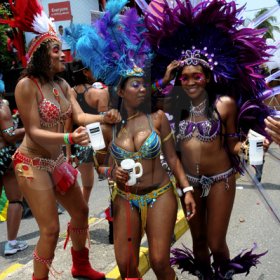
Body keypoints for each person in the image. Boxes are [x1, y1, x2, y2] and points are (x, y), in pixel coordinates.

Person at [142, 0, 271, 279]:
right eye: (184, 77)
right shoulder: (174, 102)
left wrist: (252, 146)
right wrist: (163, 80)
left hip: (221, 180)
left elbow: (233, 144)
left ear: (208, 77)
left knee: (215, 243)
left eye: (196, 76)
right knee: (199, 245)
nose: (189, 82)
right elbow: (140, 102)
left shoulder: (224, 104)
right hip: (190, 183)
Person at [75, 1, 196, 279]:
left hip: (160, 194)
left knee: (159, 262)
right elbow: (100, 167)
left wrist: (186, 189)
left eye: (144, 84)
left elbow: (174, 158)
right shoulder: (108, 126)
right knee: (127, 266)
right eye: (135, 85)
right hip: (125, 198)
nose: (142, 89)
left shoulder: (157, 119)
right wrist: (111, 171)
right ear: (121, 89)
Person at [6, 1, 120, 279]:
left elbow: (80, 117)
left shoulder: (62, 85)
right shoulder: (26, 86)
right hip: (31, 163)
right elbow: (33, 130)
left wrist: (106, 117)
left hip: (56, 161)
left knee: (80, 211)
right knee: (50, 229)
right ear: (41, 55)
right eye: (56, 50)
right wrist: (69, 136)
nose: (62, 55)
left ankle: (80, 265)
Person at [67, 59, 109, 203]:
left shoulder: (70, 93)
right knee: (110, 178)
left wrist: (68, 152)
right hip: (98, 139)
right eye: (93, 68)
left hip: (81, 140)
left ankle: (80, 216)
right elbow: (105, 123)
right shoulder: (99, 93)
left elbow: (68, 124)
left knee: (87, 185)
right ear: (85, 72)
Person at [0, 77, 27, 256]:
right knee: (15, 199)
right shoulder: (2, 107)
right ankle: (11, 243)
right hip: (4, 156)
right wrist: (31, 127)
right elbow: (9, 136)